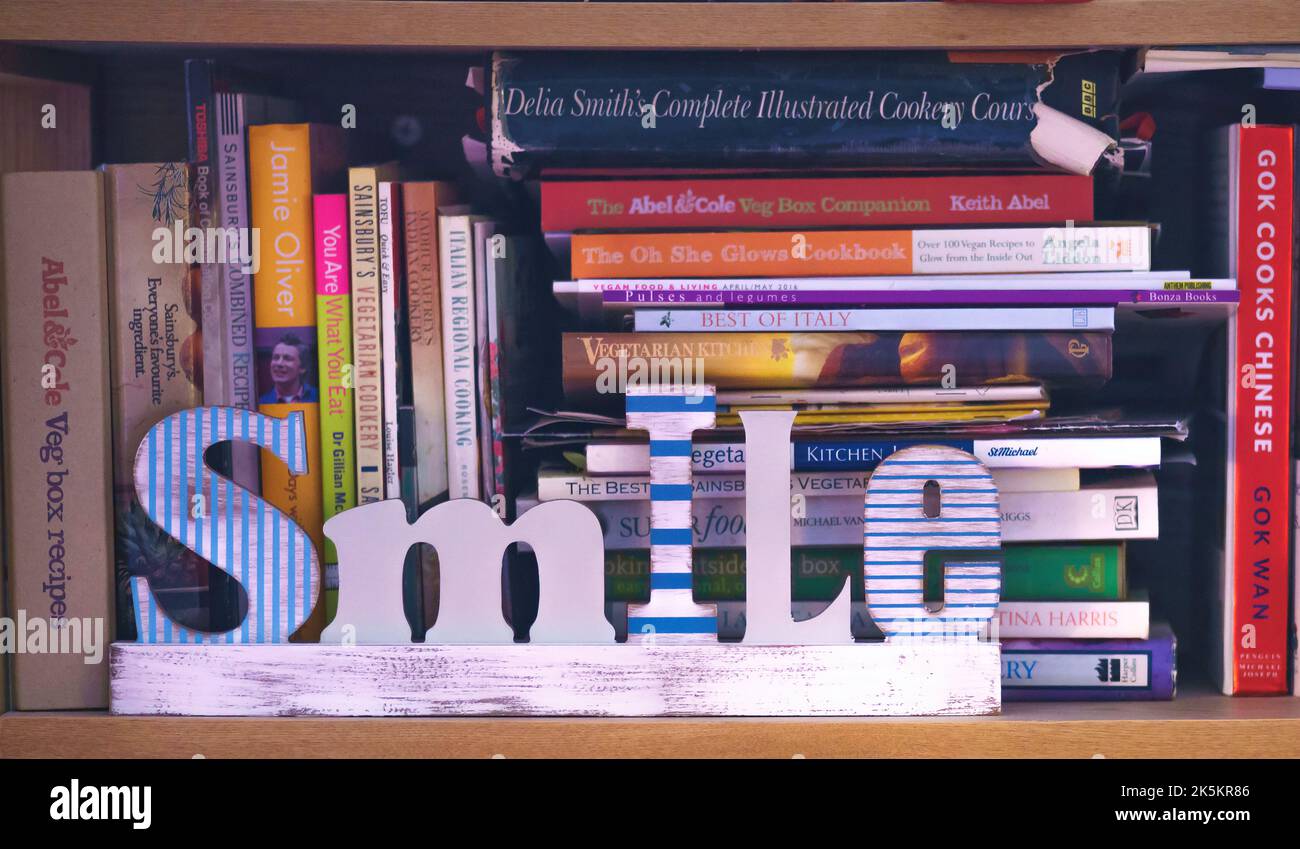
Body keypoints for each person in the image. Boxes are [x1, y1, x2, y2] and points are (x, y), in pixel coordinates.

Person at [258, 333, 318, 404]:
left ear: (302, 367)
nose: (279, 363)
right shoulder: (261, 402)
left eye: (287, 358)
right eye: (276, 357)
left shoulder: (317, 397)